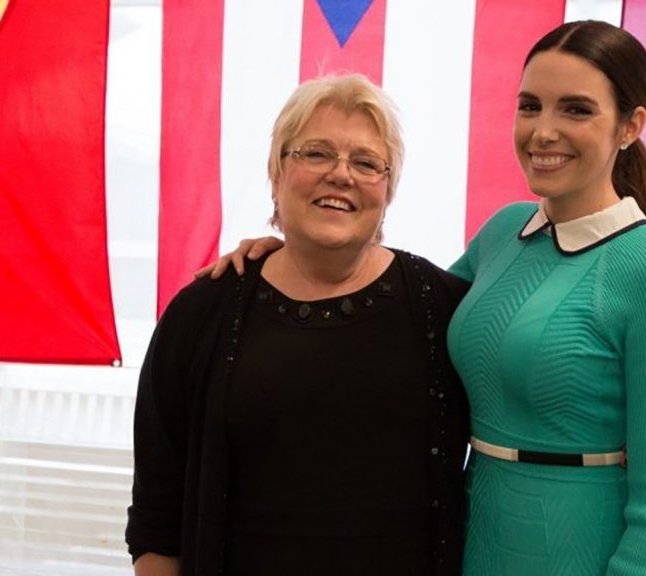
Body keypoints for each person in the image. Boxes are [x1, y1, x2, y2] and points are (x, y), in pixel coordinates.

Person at [208, 20, 646, 576]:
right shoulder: (504, 232)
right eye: (530, 106)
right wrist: (293, 250)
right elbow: (394, 310)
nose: (543, 131)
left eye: (576, 110)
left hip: (574, 547)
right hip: (467, 530)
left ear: (630, 125)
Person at [126, 74, 470, 576]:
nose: (340, 174)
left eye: (366, 163)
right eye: (316, 153)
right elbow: (157, 516)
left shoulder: (446, 309)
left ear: (388, 190)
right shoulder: (201, 314)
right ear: (276, 173)